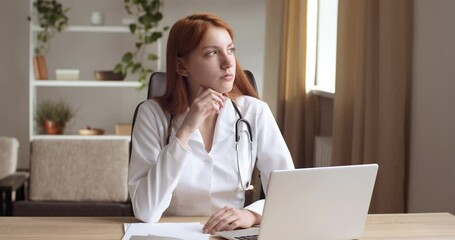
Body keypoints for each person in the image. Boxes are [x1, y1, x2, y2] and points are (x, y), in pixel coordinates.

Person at [128, 13, 294, 234]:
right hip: (169, 233)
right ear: (181, 67)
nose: (228, 63)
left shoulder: (254, 111)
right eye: (212, 53)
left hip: (231, 234)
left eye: (230, 50)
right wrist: (185, 130)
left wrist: (251, 214)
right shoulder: (152, 114)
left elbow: (289, 191)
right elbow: (146, 211)